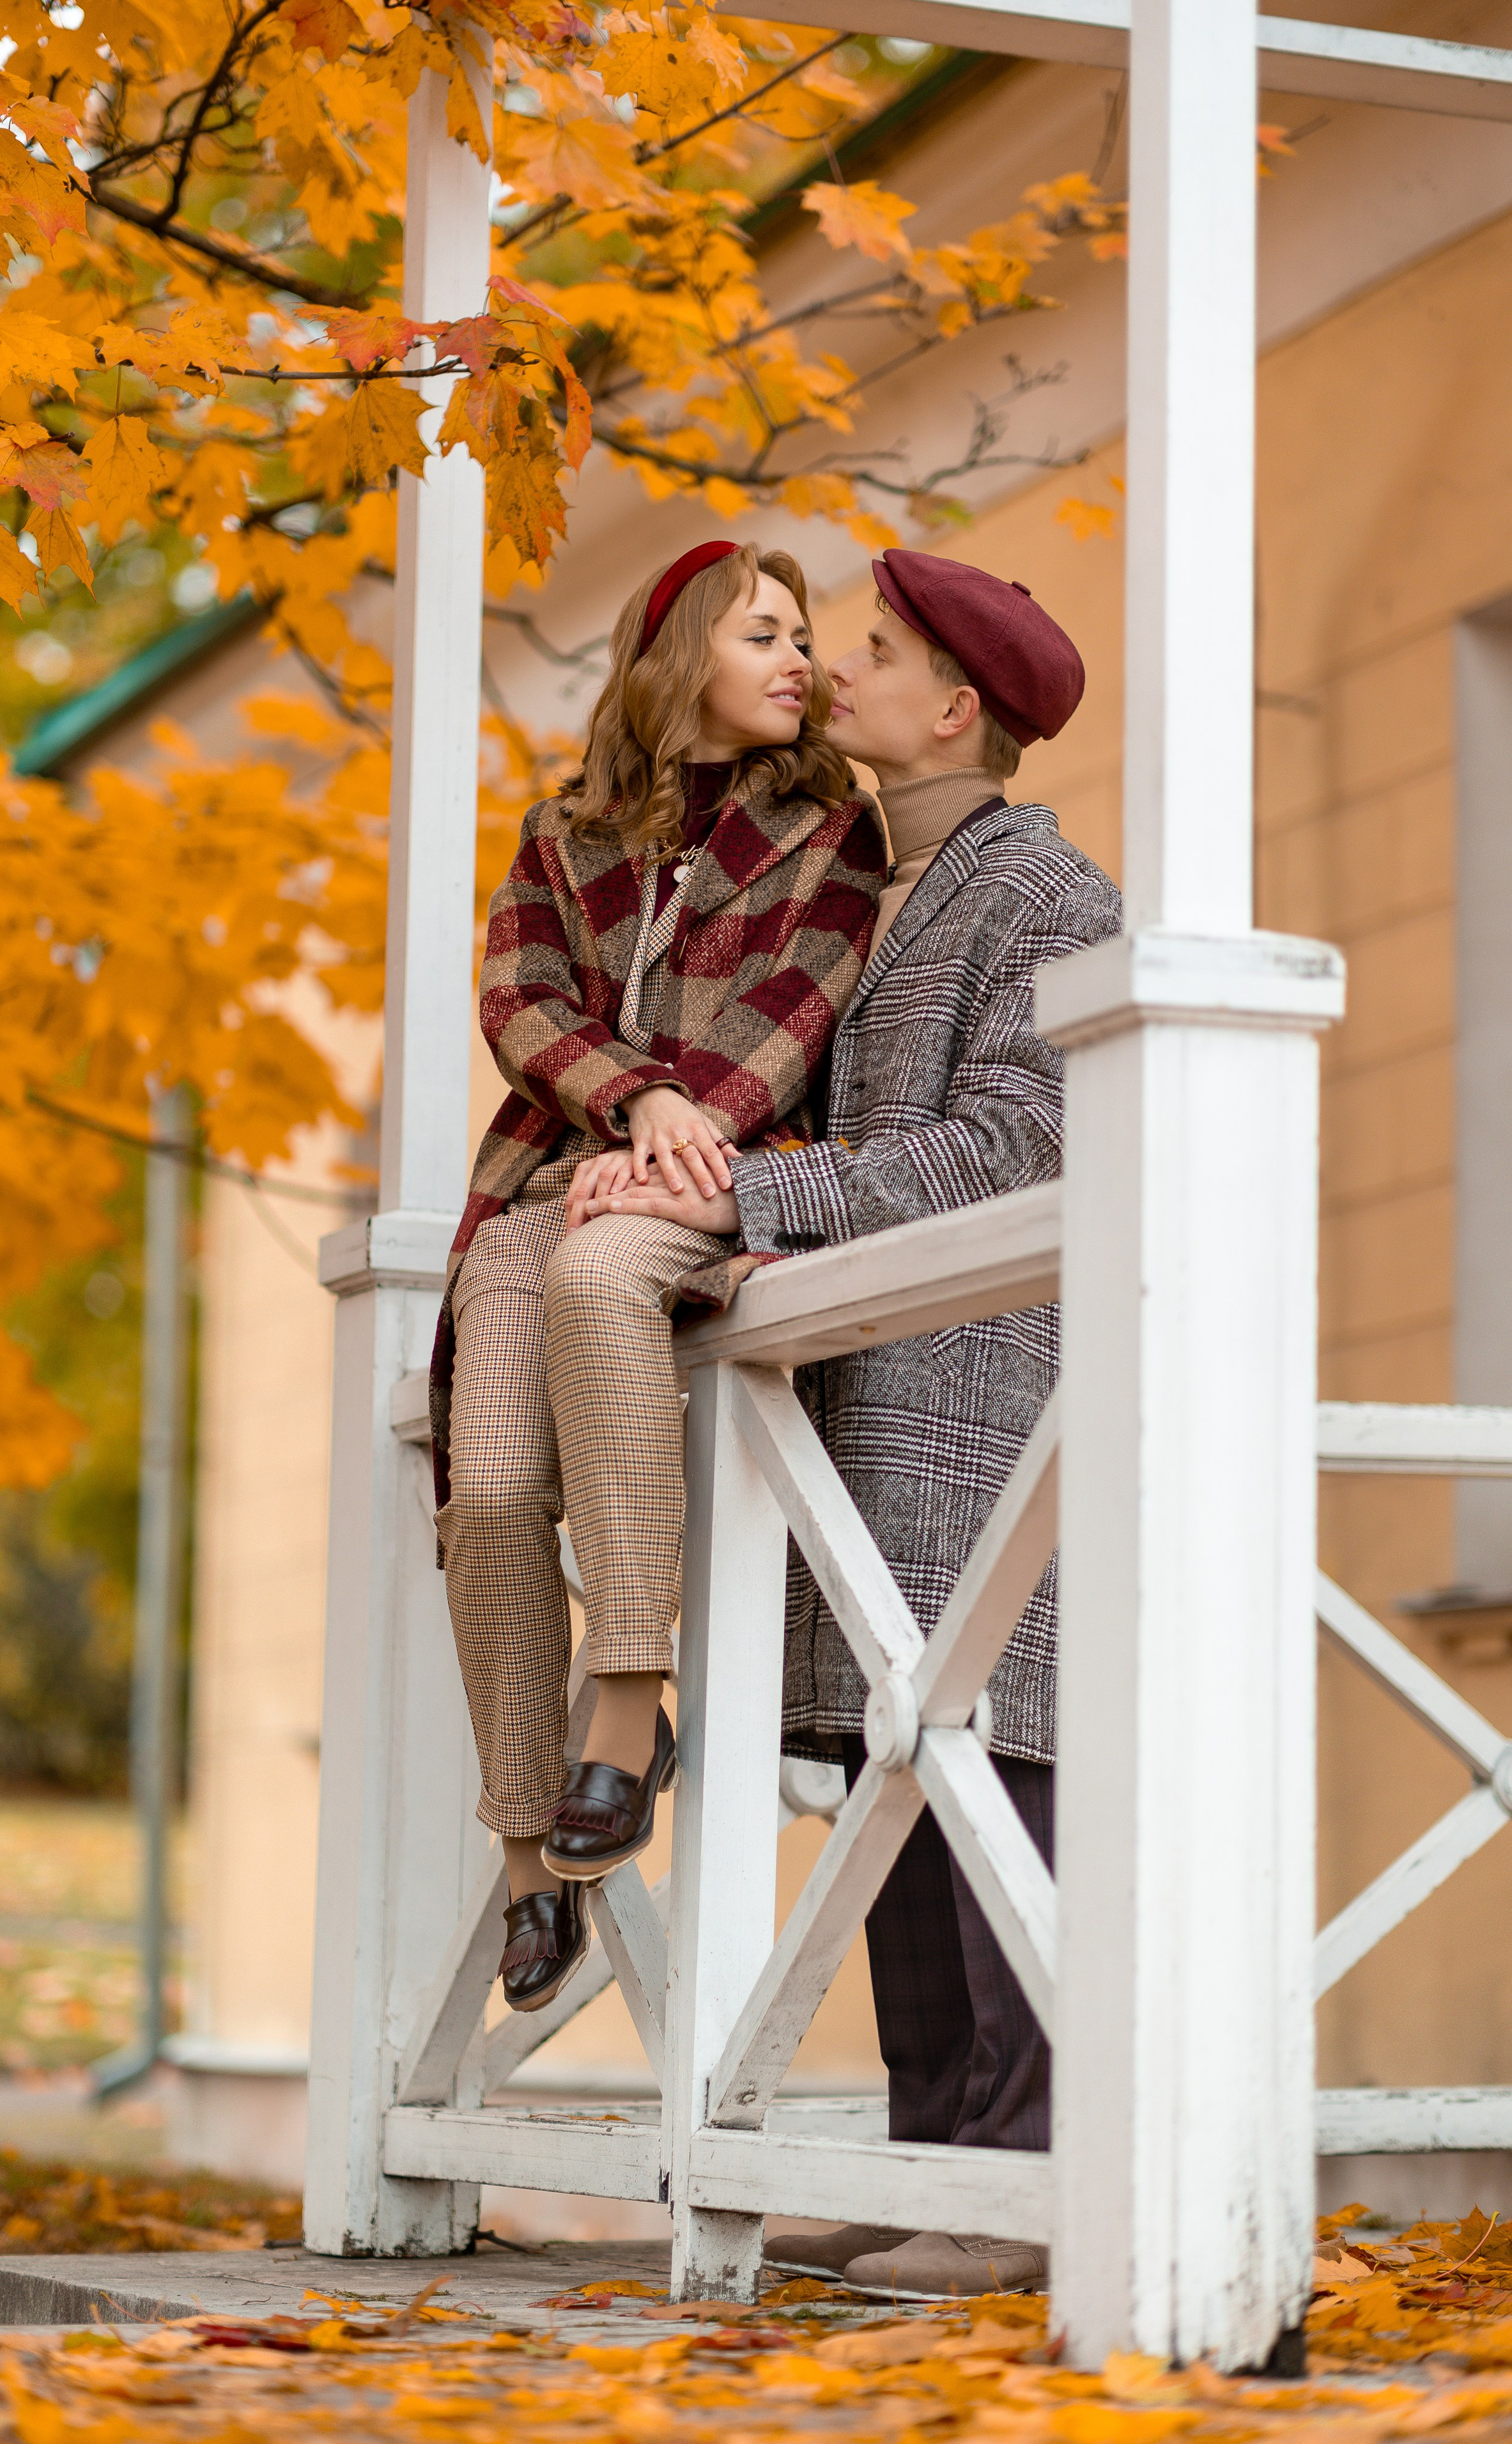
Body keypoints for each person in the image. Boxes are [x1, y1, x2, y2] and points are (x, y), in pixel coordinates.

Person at [569, 549, 1122, 2300]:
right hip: (888, 1404)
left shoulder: (1044, 892)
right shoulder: (903, 878)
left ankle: (1019, 2182)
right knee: (900, 1778)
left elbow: (1016, 1151)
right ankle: (931, 2163)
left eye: (869, 654)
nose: (835, 672)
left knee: (994, 1782)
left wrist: (767, 1203)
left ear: (956, 706)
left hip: (992, 1406)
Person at [430, 539, 885, 2018]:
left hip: (717, 1174)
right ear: (678, 648)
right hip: (550, 1174)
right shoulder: (562, 831)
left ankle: (628, 1701)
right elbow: (514, 996)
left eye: (803, 638)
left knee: (598, 1279)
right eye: (764, 632)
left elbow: (794, 1014)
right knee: (486, 1487)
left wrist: (678, 1129)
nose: (799, 661)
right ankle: (523, 1856)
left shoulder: (832, 824)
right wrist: (628, 1101)